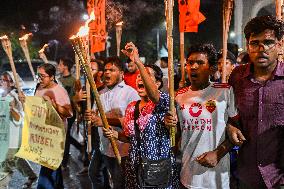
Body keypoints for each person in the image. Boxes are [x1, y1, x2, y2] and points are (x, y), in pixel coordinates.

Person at [103, 42, 179, 189]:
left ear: (157, 83)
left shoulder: (163, 102)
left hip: (157, 167)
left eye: (145, 75)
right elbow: (130, 137)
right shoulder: (132, 107)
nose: (140, 78)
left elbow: (155, 97)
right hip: (134, 166)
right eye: (139, 75)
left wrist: (137, 61)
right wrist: (115, 134)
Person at [165, 44, 241, 189]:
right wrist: (169, 123)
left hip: (217, 178)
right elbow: (177, 134)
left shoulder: (224, 92)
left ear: (212, 69)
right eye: (190, 63)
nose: (193, 67)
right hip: (188, 175)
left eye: (199, 63)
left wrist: (219, 153)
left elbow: (238, 129)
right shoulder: (178, 96)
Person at [227, 15, 284, 188]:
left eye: (268, 42)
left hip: (279, 178)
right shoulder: (237, 77)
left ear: (280, 45)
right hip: (246, 175)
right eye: (255, 43)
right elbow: (230, 114)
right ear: (248, 45)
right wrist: (230, 127)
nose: (261, 49)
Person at [85, 56, 140, 189]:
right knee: (93, 173)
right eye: (106, 70)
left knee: (118, 182)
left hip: (122, 148)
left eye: (112, 70)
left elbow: (133, 121)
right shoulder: (101, 93)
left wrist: (104, 120)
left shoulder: (130, 93)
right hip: (103, 146)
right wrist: (91, 116)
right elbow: (95, 115)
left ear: (121, 73)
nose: (107, 73)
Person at [34, 63, 72, 189]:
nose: (40, 79)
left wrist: (55, 105)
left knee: (47, 168)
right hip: (42, 134)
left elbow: (68, 112)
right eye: (38, 76)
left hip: (55, 136)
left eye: (43, 76)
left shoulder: (59, 91)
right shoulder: (38, 88)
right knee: (52, 167)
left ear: (51, 77)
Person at [0, 71, 37, 189]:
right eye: (0, 79)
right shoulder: (2, 95)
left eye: (4, 80)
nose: (1, 82)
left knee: (6, 166)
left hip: (13, 137)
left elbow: (20, 117)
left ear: (11, 83)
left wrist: (11, 110)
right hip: (4, 136)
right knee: (16, 157)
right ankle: (31, 176)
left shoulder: (15, 96)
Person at [57, 57, 83, 170]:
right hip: (59, 112)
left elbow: (75, 98)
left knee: (66, 136)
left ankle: (64, 162)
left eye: (60, 64)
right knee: (64, 135)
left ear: (65, 66)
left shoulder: (73, 81)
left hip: (70, 112)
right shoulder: (58, 80)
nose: (59, 67)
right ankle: (80, 146)